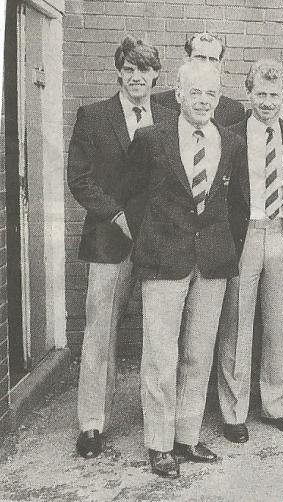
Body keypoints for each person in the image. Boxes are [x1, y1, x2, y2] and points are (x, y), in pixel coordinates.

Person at [123, 60, 249, 478]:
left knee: (198, 353)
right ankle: (159, 443)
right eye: (194, 92)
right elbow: (133, 197)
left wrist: (221, 246)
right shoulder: (151, 139)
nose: (202, 101)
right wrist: (154, 240)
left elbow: (236, 205)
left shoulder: (230, 142)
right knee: (160, 354)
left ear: (219, 98)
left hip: (211, 260)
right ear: (178, 94)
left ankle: (187, 436)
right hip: (163, 258)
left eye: (210, 94)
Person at [68, 35, 175, 460]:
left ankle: (158, 427)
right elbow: (80, 179)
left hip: (158, 244)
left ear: (155, 75)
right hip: (109, 242)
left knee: (160, 337)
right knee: (99, 334)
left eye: (144, 70)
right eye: (129, 69)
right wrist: (117, 216)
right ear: (119, 72)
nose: (137, 77)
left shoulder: (168, 117)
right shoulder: (93, 116)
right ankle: (92, 423)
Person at [215, 59, 283, 444]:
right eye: (261, 94)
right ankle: (233, 411)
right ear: (249, 93)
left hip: (281, 234)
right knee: (236, 322)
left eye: (274, 95)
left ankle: (277, 405)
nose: (267, 102)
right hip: (246, 234)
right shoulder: (231, 135)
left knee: (277, 323)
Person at [150, 32, 244, 126]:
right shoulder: (160, 102)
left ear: (220, 64)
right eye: (200, 57)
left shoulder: (234, 111)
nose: (207, 64)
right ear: (186, 58)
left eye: (212, 59)